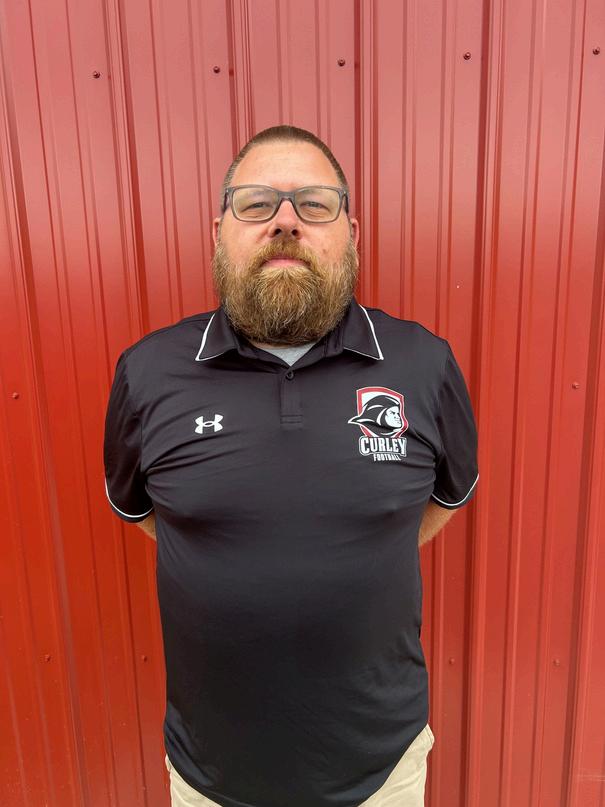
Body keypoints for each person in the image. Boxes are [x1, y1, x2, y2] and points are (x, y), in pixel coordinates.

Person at [103, 125, 479, 807]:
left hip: (381, 772)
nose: (284, 221)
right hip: (210, 776)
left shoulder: (424, 364)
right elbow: (147, 514)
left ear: (350, 232)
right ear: (219, 231)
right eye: (255, 204)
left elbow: (442, 501)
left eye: (313, 203)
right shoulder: (148, 371)